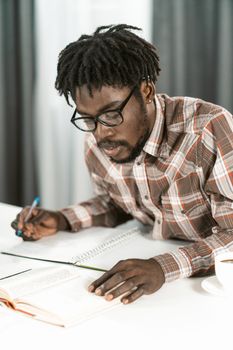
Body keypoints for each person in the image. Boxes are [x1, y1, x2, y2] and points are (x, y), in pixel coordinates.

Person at [12, 24, 233, 305]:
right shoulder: (98, 140)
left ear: (147, 90)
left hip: (215, 289)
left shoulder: (207, 130)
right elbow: (116, 202)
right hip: (158, 286)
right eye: (88, 119)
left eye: (111, 114)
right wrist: (61, 219)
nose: (101, 133)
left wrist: (161, 268)